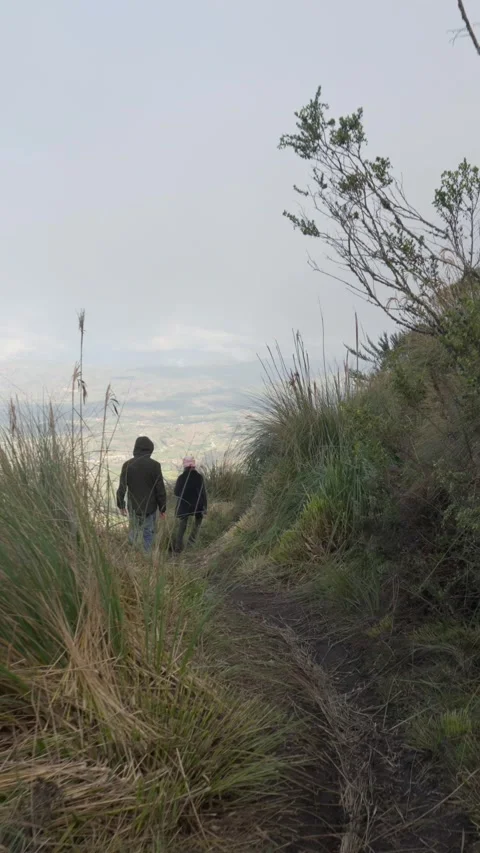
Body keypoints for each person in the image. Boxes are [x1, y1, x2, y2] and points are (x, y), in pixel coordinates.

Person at [116, 436, 166, 552]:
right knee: (148, 534)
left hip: (133, 507)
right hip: (150, 508)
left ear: (136, 448)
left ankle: (133, 557)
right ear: (150, 449)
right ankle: (146, 559)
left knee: (134, 532)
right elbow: (160, 490)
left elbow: (122, 487)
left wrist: (121, 505)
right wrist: (162, 508)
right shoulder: (155, 465)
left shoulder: (127, 465)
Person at [173, 456, 207, 552]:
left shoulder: (181, 478)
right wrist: (205, 507)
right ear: (194, 466)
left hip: (184, 506)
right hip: (197, 506)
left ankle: (178, 547)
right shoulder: (199, 477)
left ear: (185, 466)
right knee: (198, 523)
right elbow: (203, 493)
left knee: (182, 525)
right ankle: (191, 543)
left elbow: (176, 492)